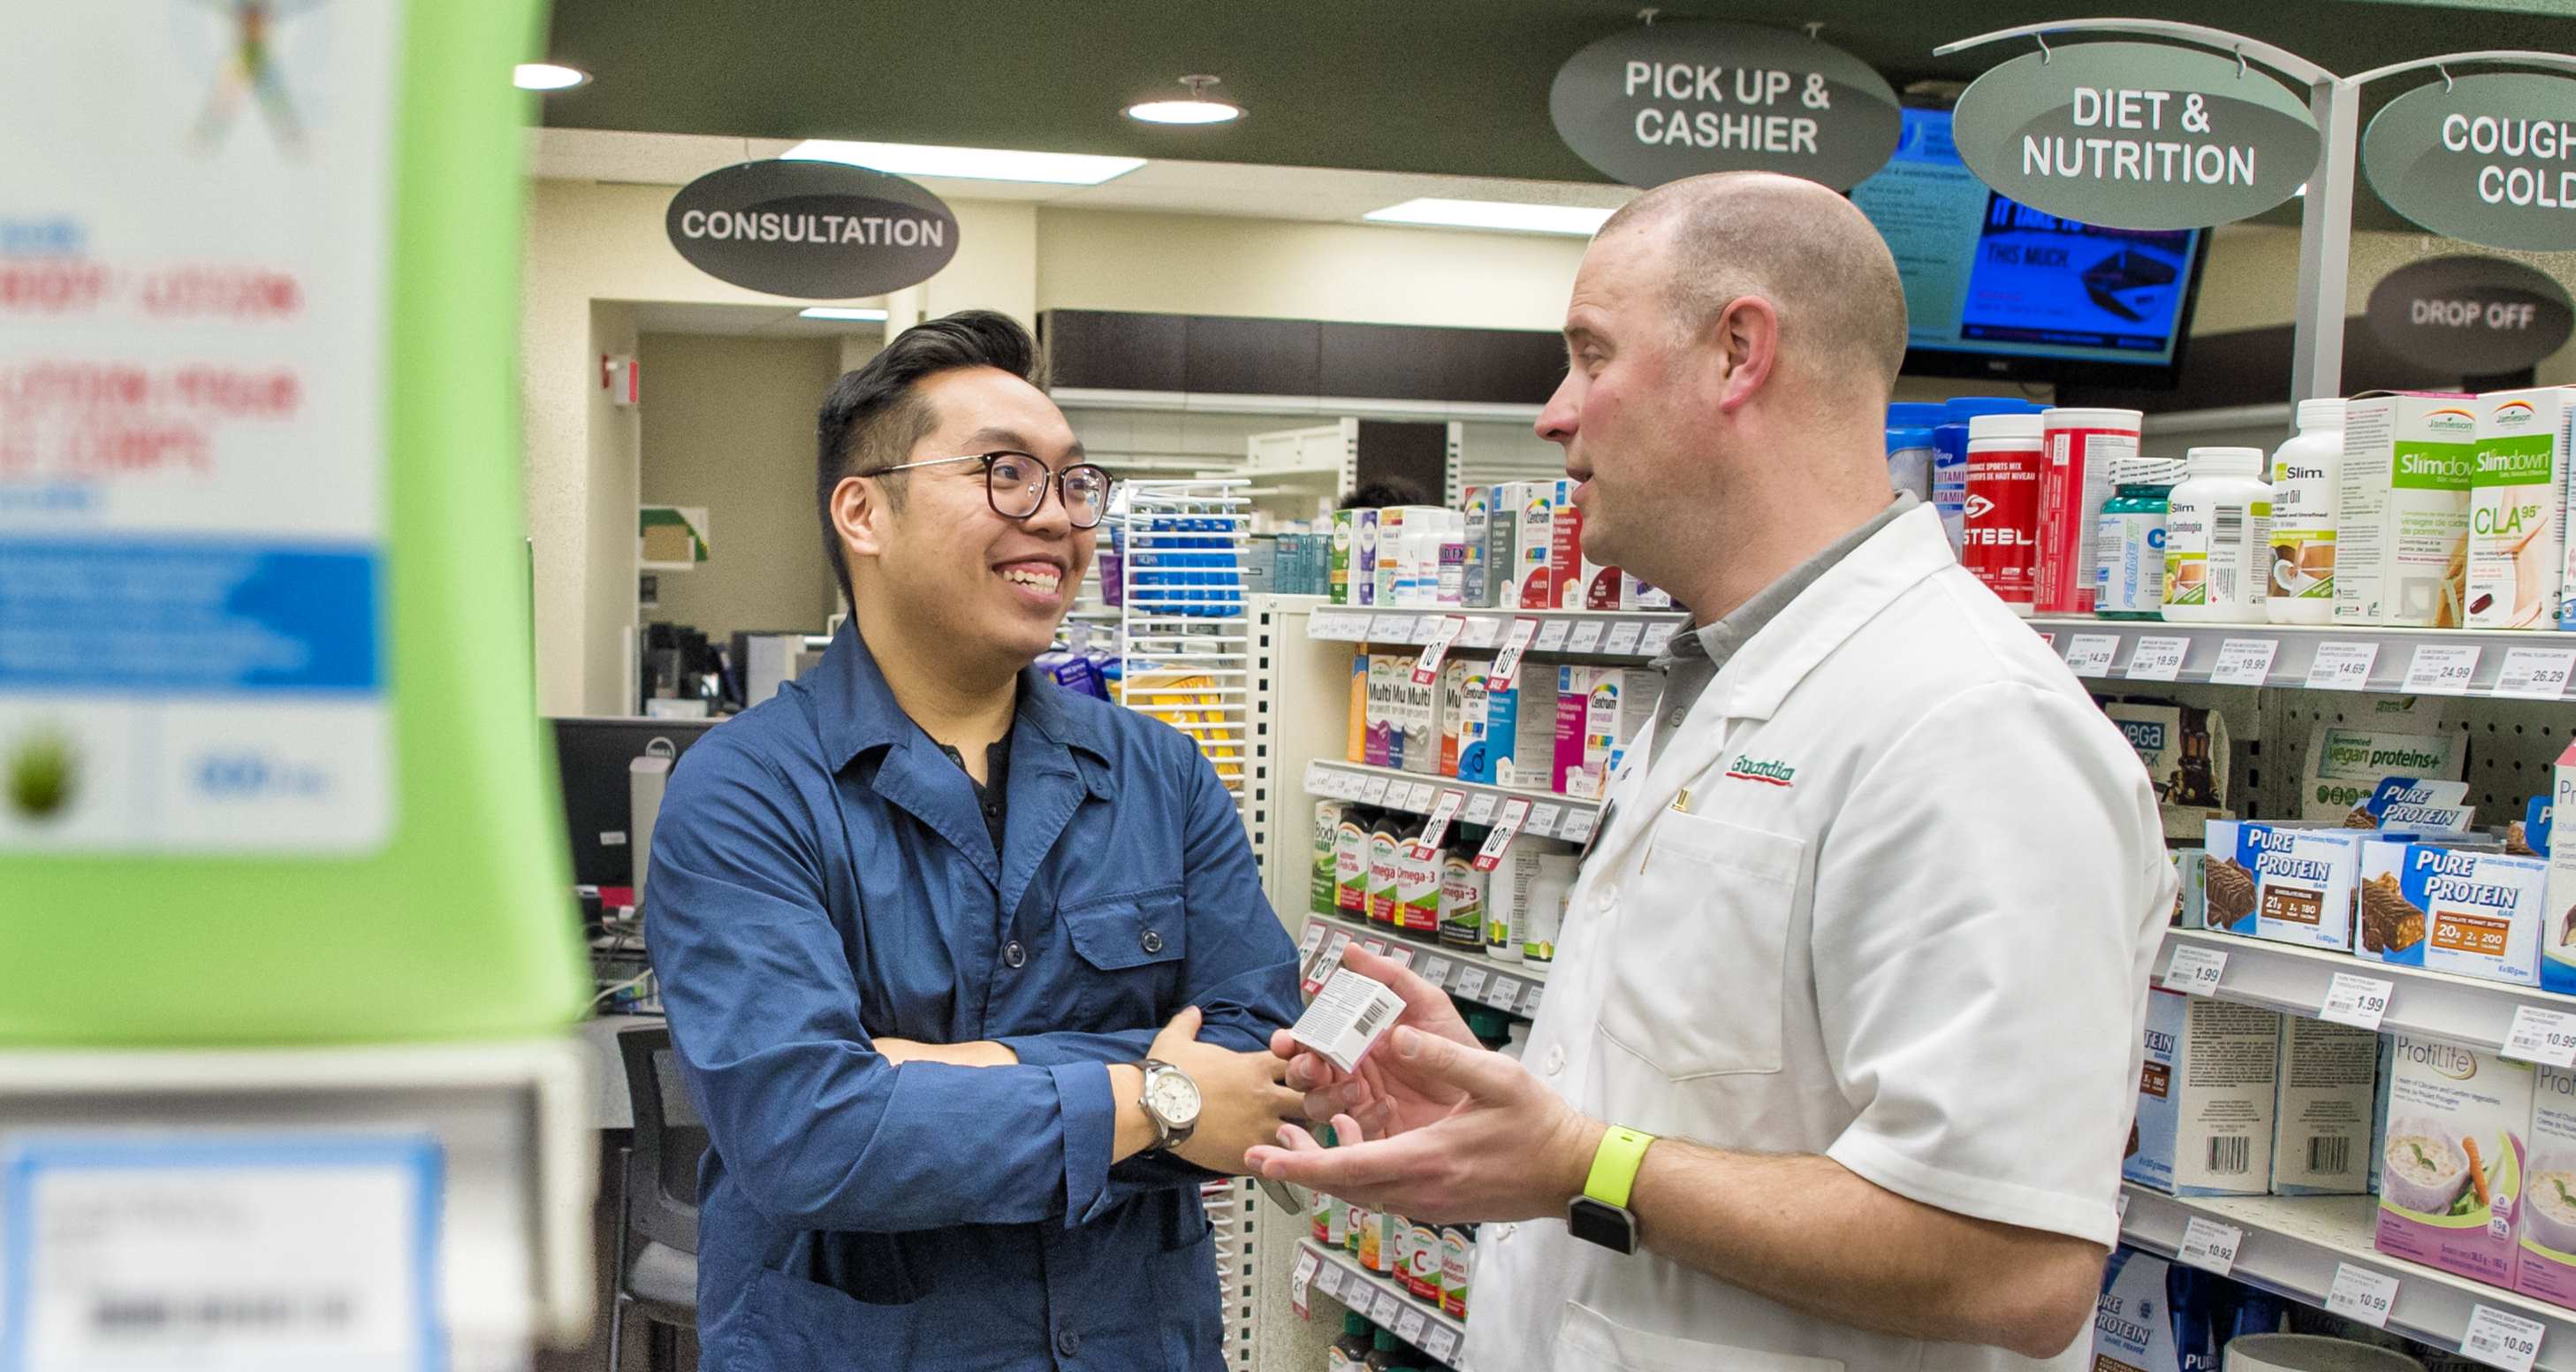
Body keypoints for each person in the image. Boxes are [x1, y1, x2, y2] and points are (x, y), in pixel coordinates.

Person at [1252, 172, 2173, 1371]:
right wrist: (1509, 1108)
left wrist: (1585, 1163)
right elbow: (1731, 1101)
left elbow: (2012, 1262)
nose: (1553, 412)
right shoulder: (1729, 681)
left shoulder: (1969, 724)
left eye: (1589, 354)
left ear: (1737, 352)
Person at [645, 310, 1305, 1371]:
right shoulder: (745, 791)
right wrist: (1159, 1095)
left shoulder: (1158, 774)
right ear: (862, 511)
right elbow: (808, 1136)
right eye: (1005, 474)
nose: (1055, 519)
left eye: (1074, 484)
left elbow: (1262, 1067)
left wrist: (944, 1073)